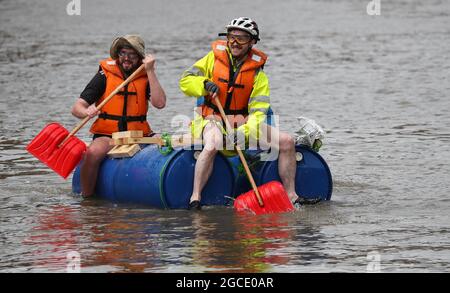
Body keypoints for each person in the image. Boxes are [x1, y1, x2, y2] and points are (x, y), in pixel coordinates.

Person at [179, 17, 320, 210]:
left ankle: (291, 195)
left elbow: (258, 113)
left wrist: (243, 132)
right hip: (211, 119)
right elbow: (185, 81)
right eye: (232, 37)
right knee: (213, 144)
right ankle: (195, 197)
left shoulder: (258, 75)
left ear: (252, 42)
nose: (235, 43)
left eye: (242, 38)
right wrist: (202, 84)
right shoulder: (212, 58)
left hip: (243, 125)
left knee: (287, 141)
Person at [71, 35, 166, 197]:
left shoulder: (146, 75)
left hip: (139, 134)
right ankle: (87, 197)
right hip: (109, 136)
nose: (126, 58)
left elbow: (160, 103)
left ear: (140, 58)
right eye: (123, 53)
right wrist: (86, 112)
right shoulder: (104, 75)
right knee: (93, 153)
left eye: (132, 54)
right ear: (117, 55)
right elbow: (76, 108)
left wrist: (150, 71)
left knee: (165, 143)